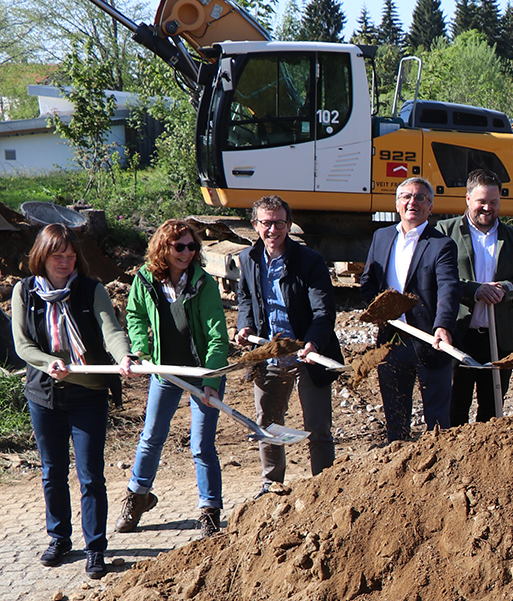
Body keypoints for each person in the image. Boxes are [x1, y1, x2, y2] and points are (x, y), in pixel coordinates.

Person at [11, 225, 132, 576]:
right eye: (57, 256)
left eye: (70, 255)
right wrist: (49, 363)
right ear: (42, 257)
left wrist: (124, 358)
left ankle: (95, 547)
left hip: (88, 395)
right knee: (52, 472)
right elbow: (22, 344)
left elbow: (111, 331)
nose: (65, 262)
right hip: (43, 395)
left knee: (91, 475)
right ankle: (59, 538)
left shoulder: (91, 290)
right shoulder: (24, 292)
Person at [119, 220, 231, 539]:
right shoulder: (145, 279)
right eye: (179, 246)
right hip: (165, 370)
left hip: (201, 372)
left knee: (201, 444)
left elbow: (216, 334)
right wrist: (139, 349)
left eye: (191, 246)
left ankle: (210, 510)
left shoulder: (203, 283)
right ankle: (137, 497)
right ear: (163, 248)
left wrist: (210, 377)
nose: (186, 252)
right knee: (152, 434)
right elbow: (136, 315)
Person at [234, 195, 343, 494]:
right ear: (255, 225)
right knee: (267, 425)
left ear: (289, 224)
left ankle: (325, 485)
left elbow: (323, 311)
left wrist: (313, 343)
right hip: (269, 353)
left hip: (308, 353)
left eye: (279, 223)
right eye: (266, 223)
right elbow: (245, 298)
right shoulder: (248, 259)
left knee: (318, 428)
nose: (273, 230)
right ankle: (272, 484)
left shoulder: (310, 260)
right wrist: (245, 325)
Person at [359, 176, 460, 443]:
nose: (412, 202)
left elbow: (449, 288)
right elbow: (368, 281)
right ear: (397, 204)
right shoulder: (381, 237)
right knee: (396, 417)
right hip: (391, 340)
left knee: (437, 421)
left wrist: (443, 326)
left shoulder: (441, 244)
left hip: (428, 340)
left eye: (420, 198)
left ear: (430, 207)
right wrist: (375, 310)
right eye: (406, 196)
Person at [437, 169, 513, 423]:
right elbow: (437, 280)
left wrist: (504, 288)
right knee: (455, 408)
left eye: (493, 202)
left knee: (492, 411)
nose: (487, 208)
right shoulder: (445, 232)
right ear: (468, 199)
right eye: (481, 202)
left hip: (497, 337)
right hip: (459, 333)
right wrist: (475, 290)